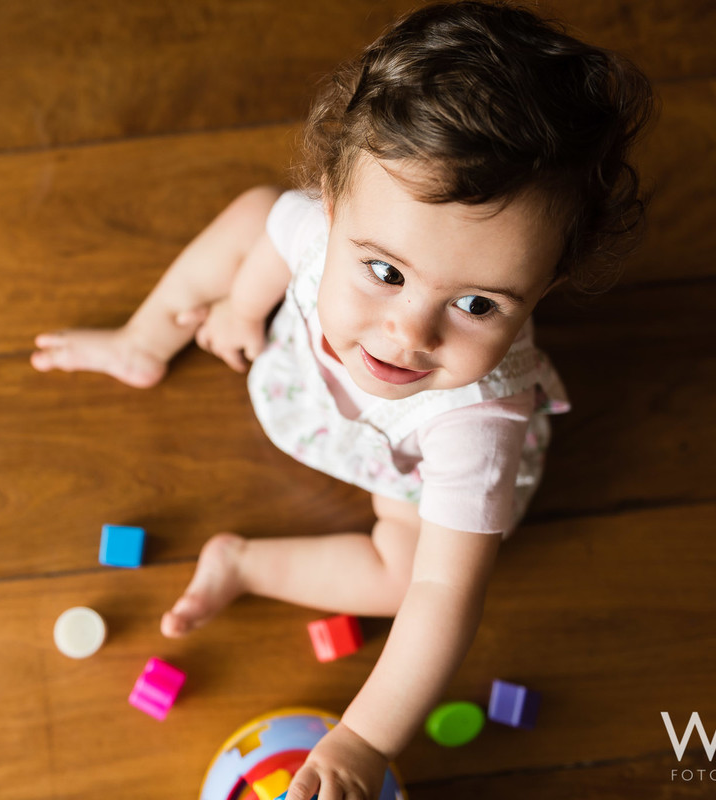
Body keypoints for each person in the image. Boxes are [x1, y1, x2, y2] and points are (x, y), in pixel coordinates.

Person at [32, 2, 654, 797]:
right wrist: (239, 307)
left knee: (400, 578)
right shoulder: (316, 229)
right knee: (256, 213)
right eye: (385, 273)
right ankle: (143, 340)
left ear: (544, 288)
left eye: (479, 304)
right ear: (332, 203)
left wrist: (362, 737)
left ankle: (247, 565)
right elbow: (273, 237)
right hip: (310, 384)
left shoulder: (482, 423)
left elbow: (441, 596)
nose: (406, 334)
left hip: (408, 469)